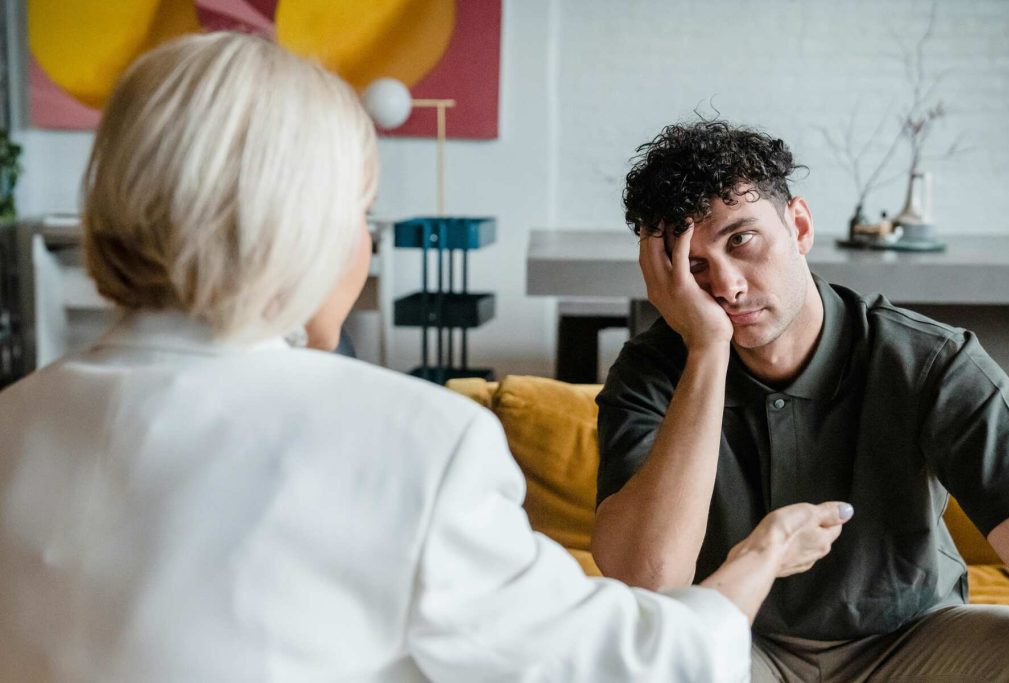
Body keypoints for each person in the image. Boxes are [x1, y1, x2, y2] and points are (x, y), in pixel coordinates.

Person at [0, 34, 851, 682]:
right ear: (300, 229)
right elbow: (636, 663)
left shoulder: (17, 419)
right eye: (361, 215)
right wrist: (761, 556)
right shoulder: (412, 441)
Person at [592, 119, 1009, 681]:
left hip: (915, 639)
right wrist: (706, 349)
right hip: (740, 644)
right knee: (627, 664)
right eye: (693, 265)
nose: (726, 286)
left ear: (798, 226)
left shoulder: (930, 360)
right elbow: (647, 580)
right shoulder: (652, 372)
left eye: (740, 240)